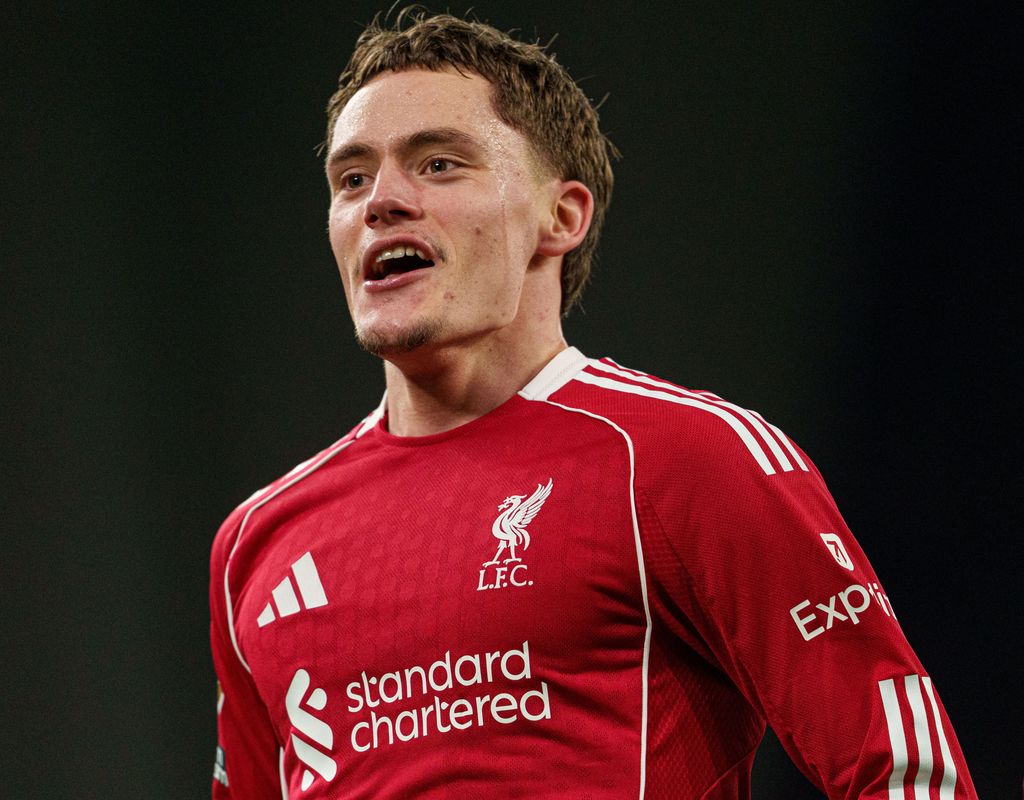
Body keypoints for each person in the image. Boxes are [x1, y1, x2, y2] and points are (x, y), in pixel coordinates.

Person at [209, 10, 977, 799]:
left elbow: (909, 774)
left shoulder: (687, 459)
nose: (382, 202)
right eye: (352, 178)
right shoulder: (255, 545)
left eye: (438, 164)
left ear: (561, 216)